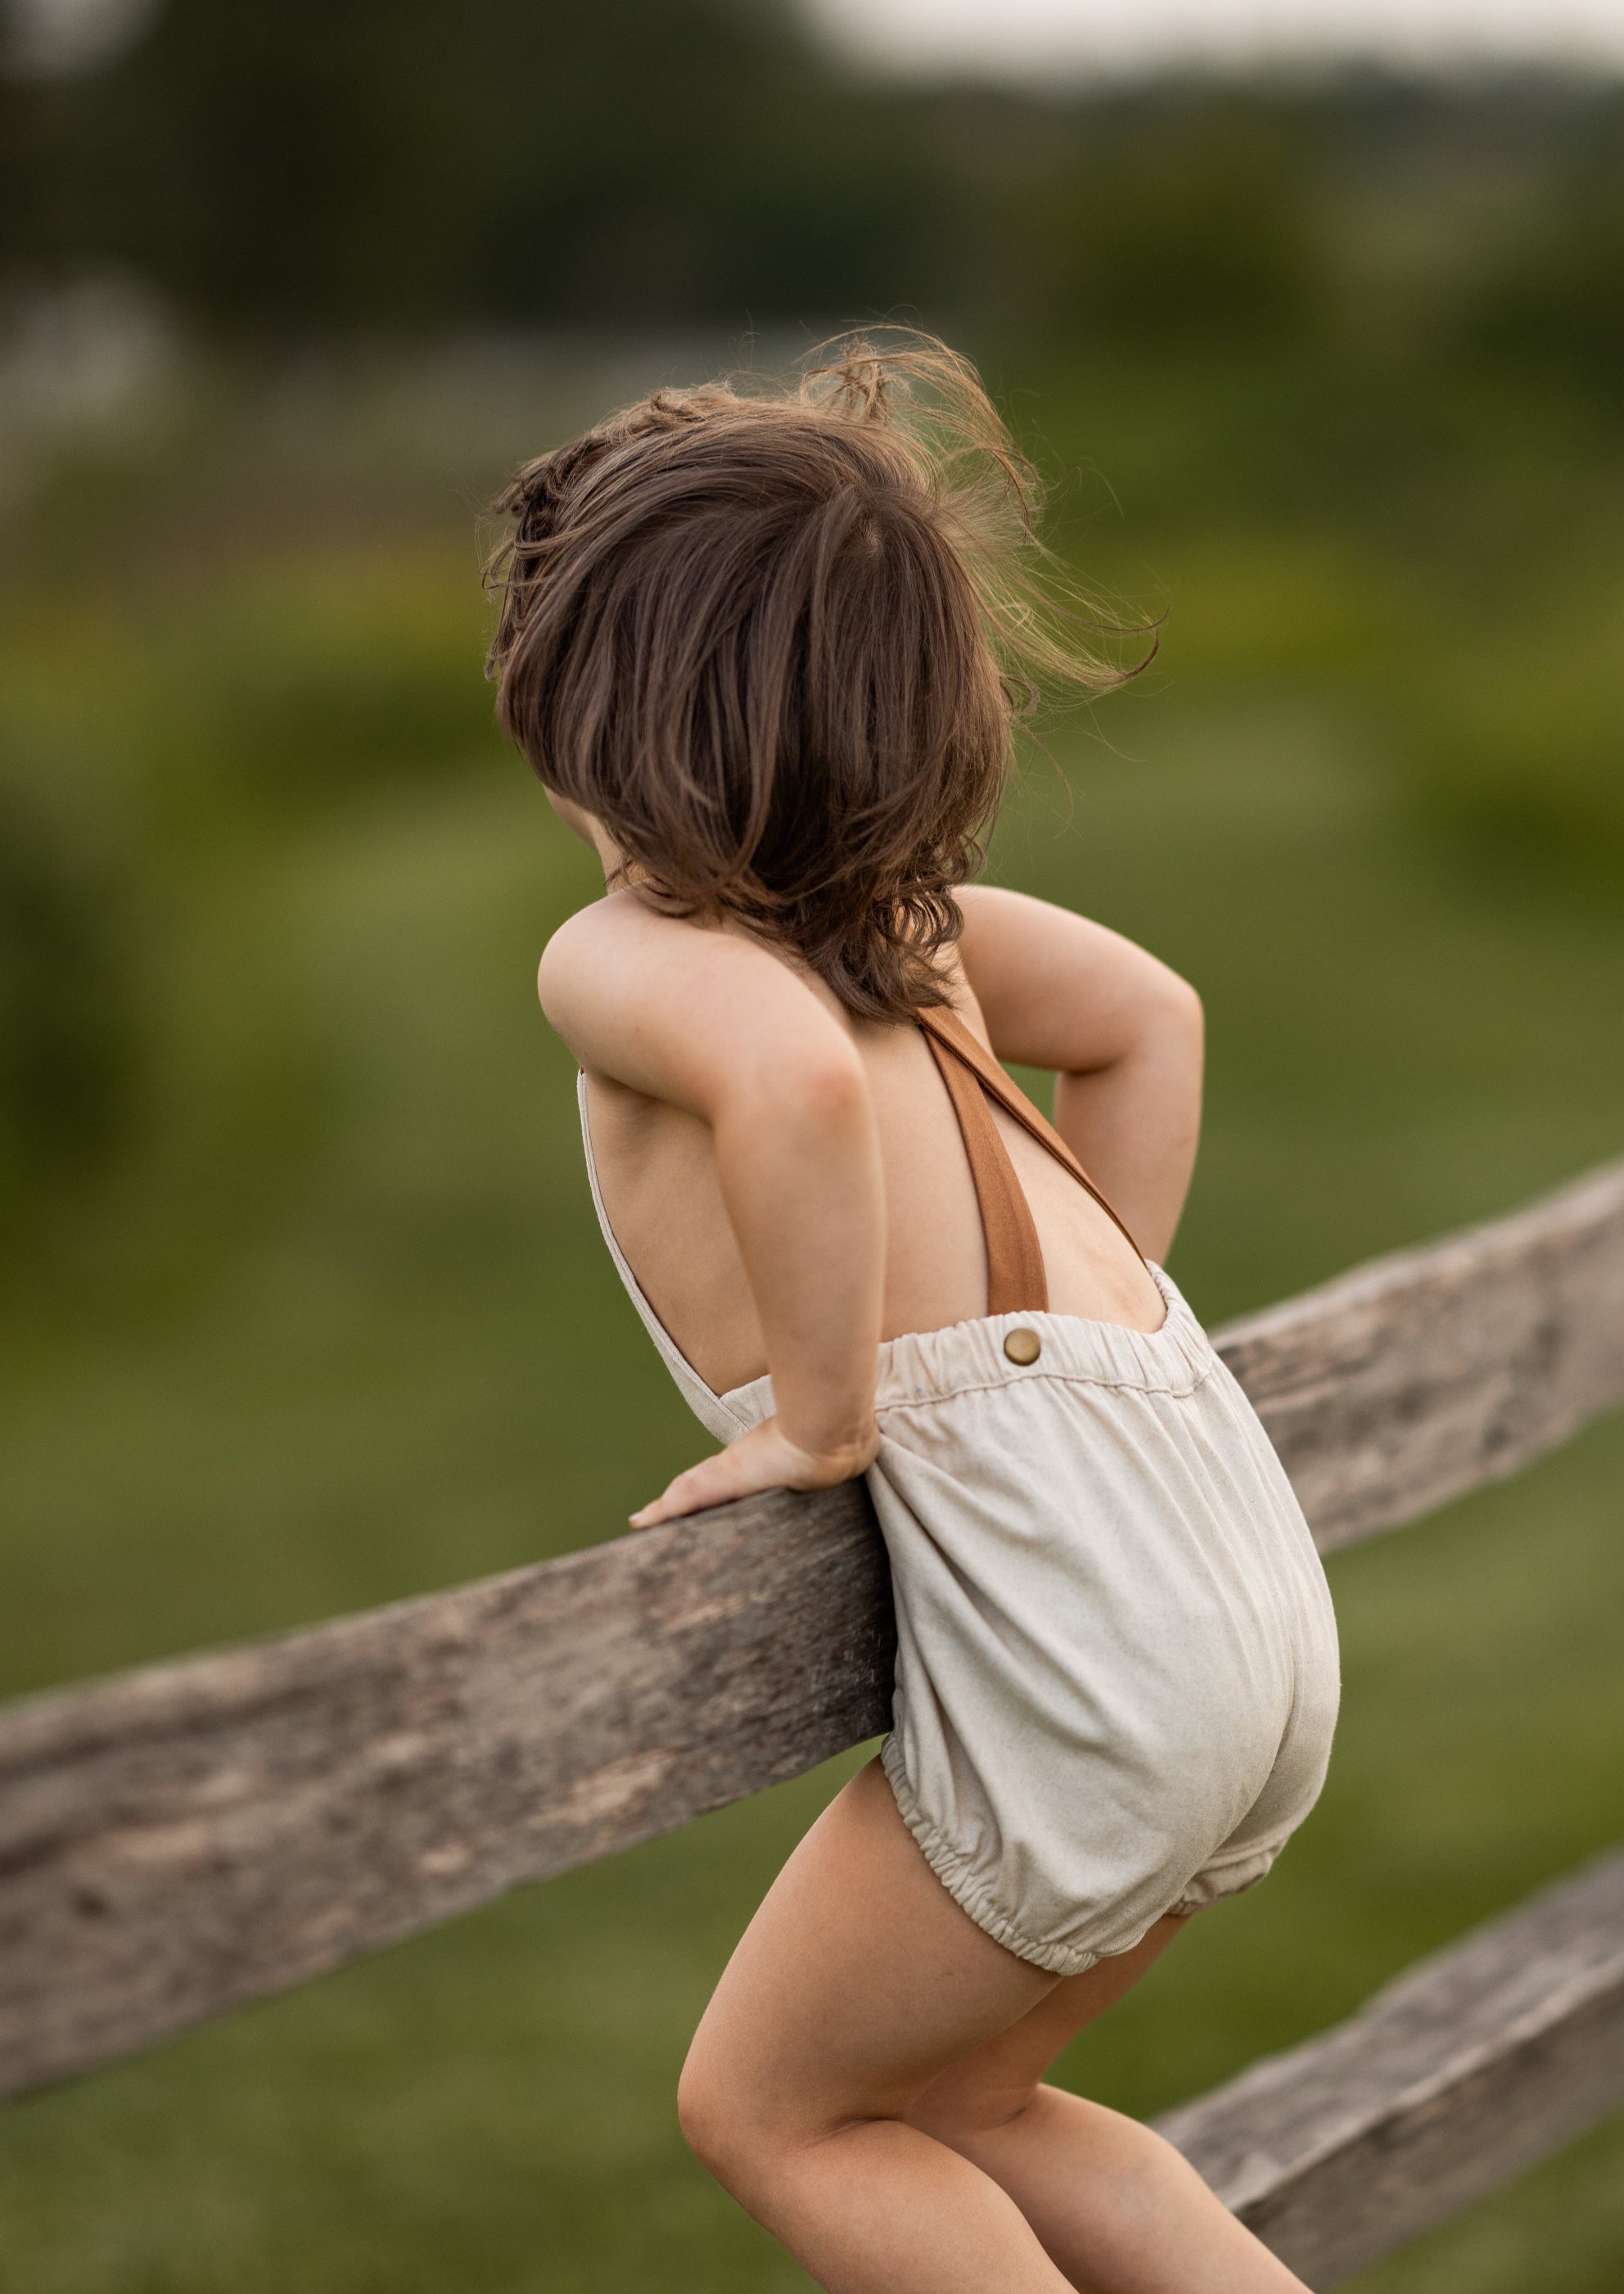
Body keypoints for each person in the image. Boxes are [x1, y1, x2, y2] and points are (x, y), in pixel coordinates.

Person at [485, 333, 1340, 2293]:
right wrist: (1077, 1355)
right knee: (972, 2112)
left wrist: (822, 1419)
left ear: (581, 717)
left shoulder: (631, 953)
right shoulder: (923, 936)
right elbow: (1149, 1021)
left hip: (1100, 1663)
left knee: (774, 2113)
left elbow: (784, 1092)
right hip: (1246, 1610)